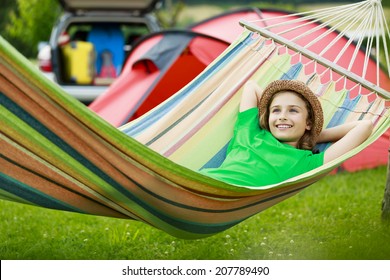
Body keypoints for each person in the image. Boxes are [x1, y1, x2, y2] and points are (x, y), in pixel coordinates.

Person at [199, 79, 373, 187]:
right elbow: (251, 87)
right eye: (276, 111)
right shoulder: (250, 132)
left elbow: (364, 126)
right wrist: (271, 113)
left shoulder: (307, 163)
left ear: (308, 122)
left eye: (293, 111)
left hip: (223, 197)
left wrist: (312, 136)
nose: (282, 117)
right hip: (199, 183)